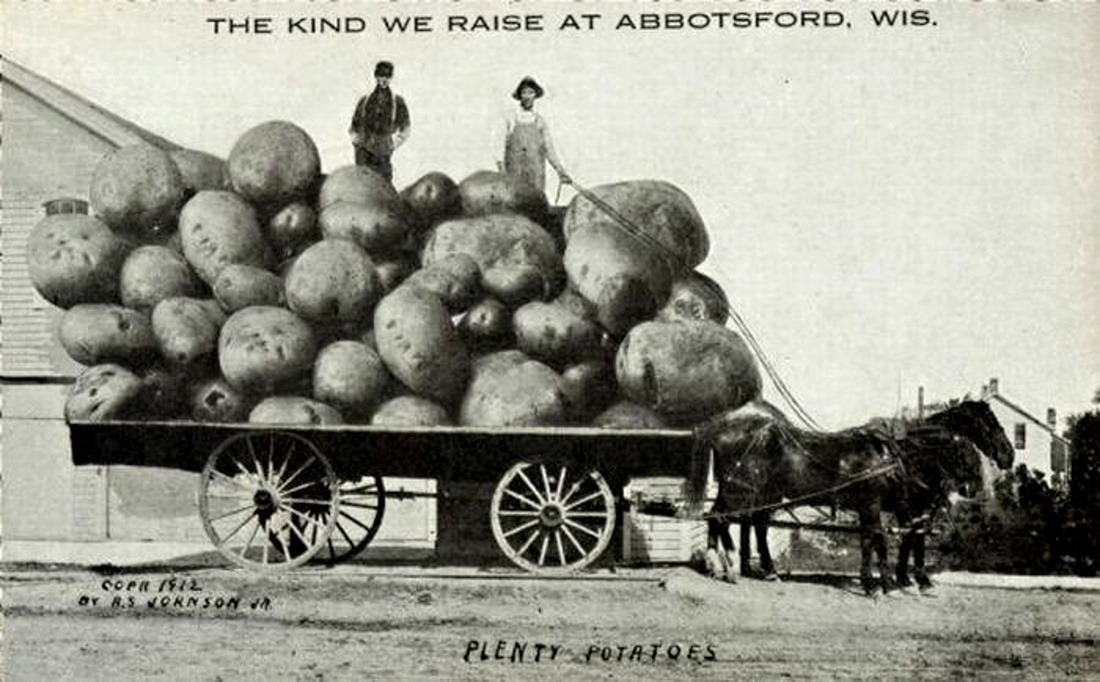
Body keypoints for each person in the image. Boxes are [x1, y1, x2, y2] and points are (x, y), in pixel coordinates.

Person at [499, 76, 571, 196]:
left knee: (536, 203)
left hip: (536, 173)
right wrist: (501, 172)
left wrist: (560, 171)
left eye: (531, 92)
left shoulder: (539, 121)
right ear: (520, 95)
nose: (527, 96)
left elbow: (549, 149)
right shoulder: (510, 117)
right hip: (514, 172)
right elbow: (499, 146)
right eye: (524, 92)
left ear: (535, 96)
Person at [349, 60, 410, 182]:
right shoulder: (365, 100)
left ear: (391, 78)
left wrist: (393, 143)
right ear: (376, 76)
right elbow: (354, 125)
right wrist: (356, 140)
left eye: (387, 76)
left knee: (383, 183)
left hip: (383, 149)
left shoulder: (397, 102)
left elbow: (405, 127)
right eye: (381, 76)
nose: (384, 80)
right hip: (363, 149)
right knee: (361, 183)